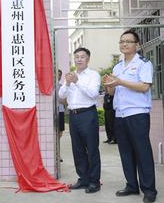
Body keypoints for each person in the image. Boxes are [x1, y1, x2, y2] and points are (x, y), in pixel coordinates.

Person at [103, 30, 157, 203]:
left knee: (142, 152)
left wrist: (119, 81)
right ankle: (132, 185)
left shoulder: (143, 63)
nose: (124, 44)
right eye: (121, 41)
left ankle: (149, 190)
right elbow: (113, 91)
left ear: (137, 45)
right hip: (120, 114)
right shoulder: (117, 67)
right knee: (125, 152)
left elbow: (144, 87)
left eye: (128, 41)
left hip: (137, 114)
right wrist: (109, 85)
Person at [59, 47, 101, 194]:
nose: (79, 59)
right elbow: (61, 95)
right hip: (73, 115)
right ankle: (83, 179)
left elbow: (93, 94)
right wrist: (69, 83)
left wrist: (77, 82)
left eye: (82, 57)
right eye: (76, 57)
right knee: (77, 149)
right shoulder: (70, 75)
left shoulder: (94, 75)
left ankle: (94, 182)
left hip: (88, 114)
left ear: (88, 59)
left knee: (92, 149)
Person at [56, 69, 65, 162]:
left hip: (61, 111)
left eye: (59, 75)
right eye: (56, 74)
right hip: (52, 112)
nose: (58, 76)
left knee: (59, 134)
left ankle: (58, 154)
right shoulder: (49, 86)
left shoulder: (62, 87)